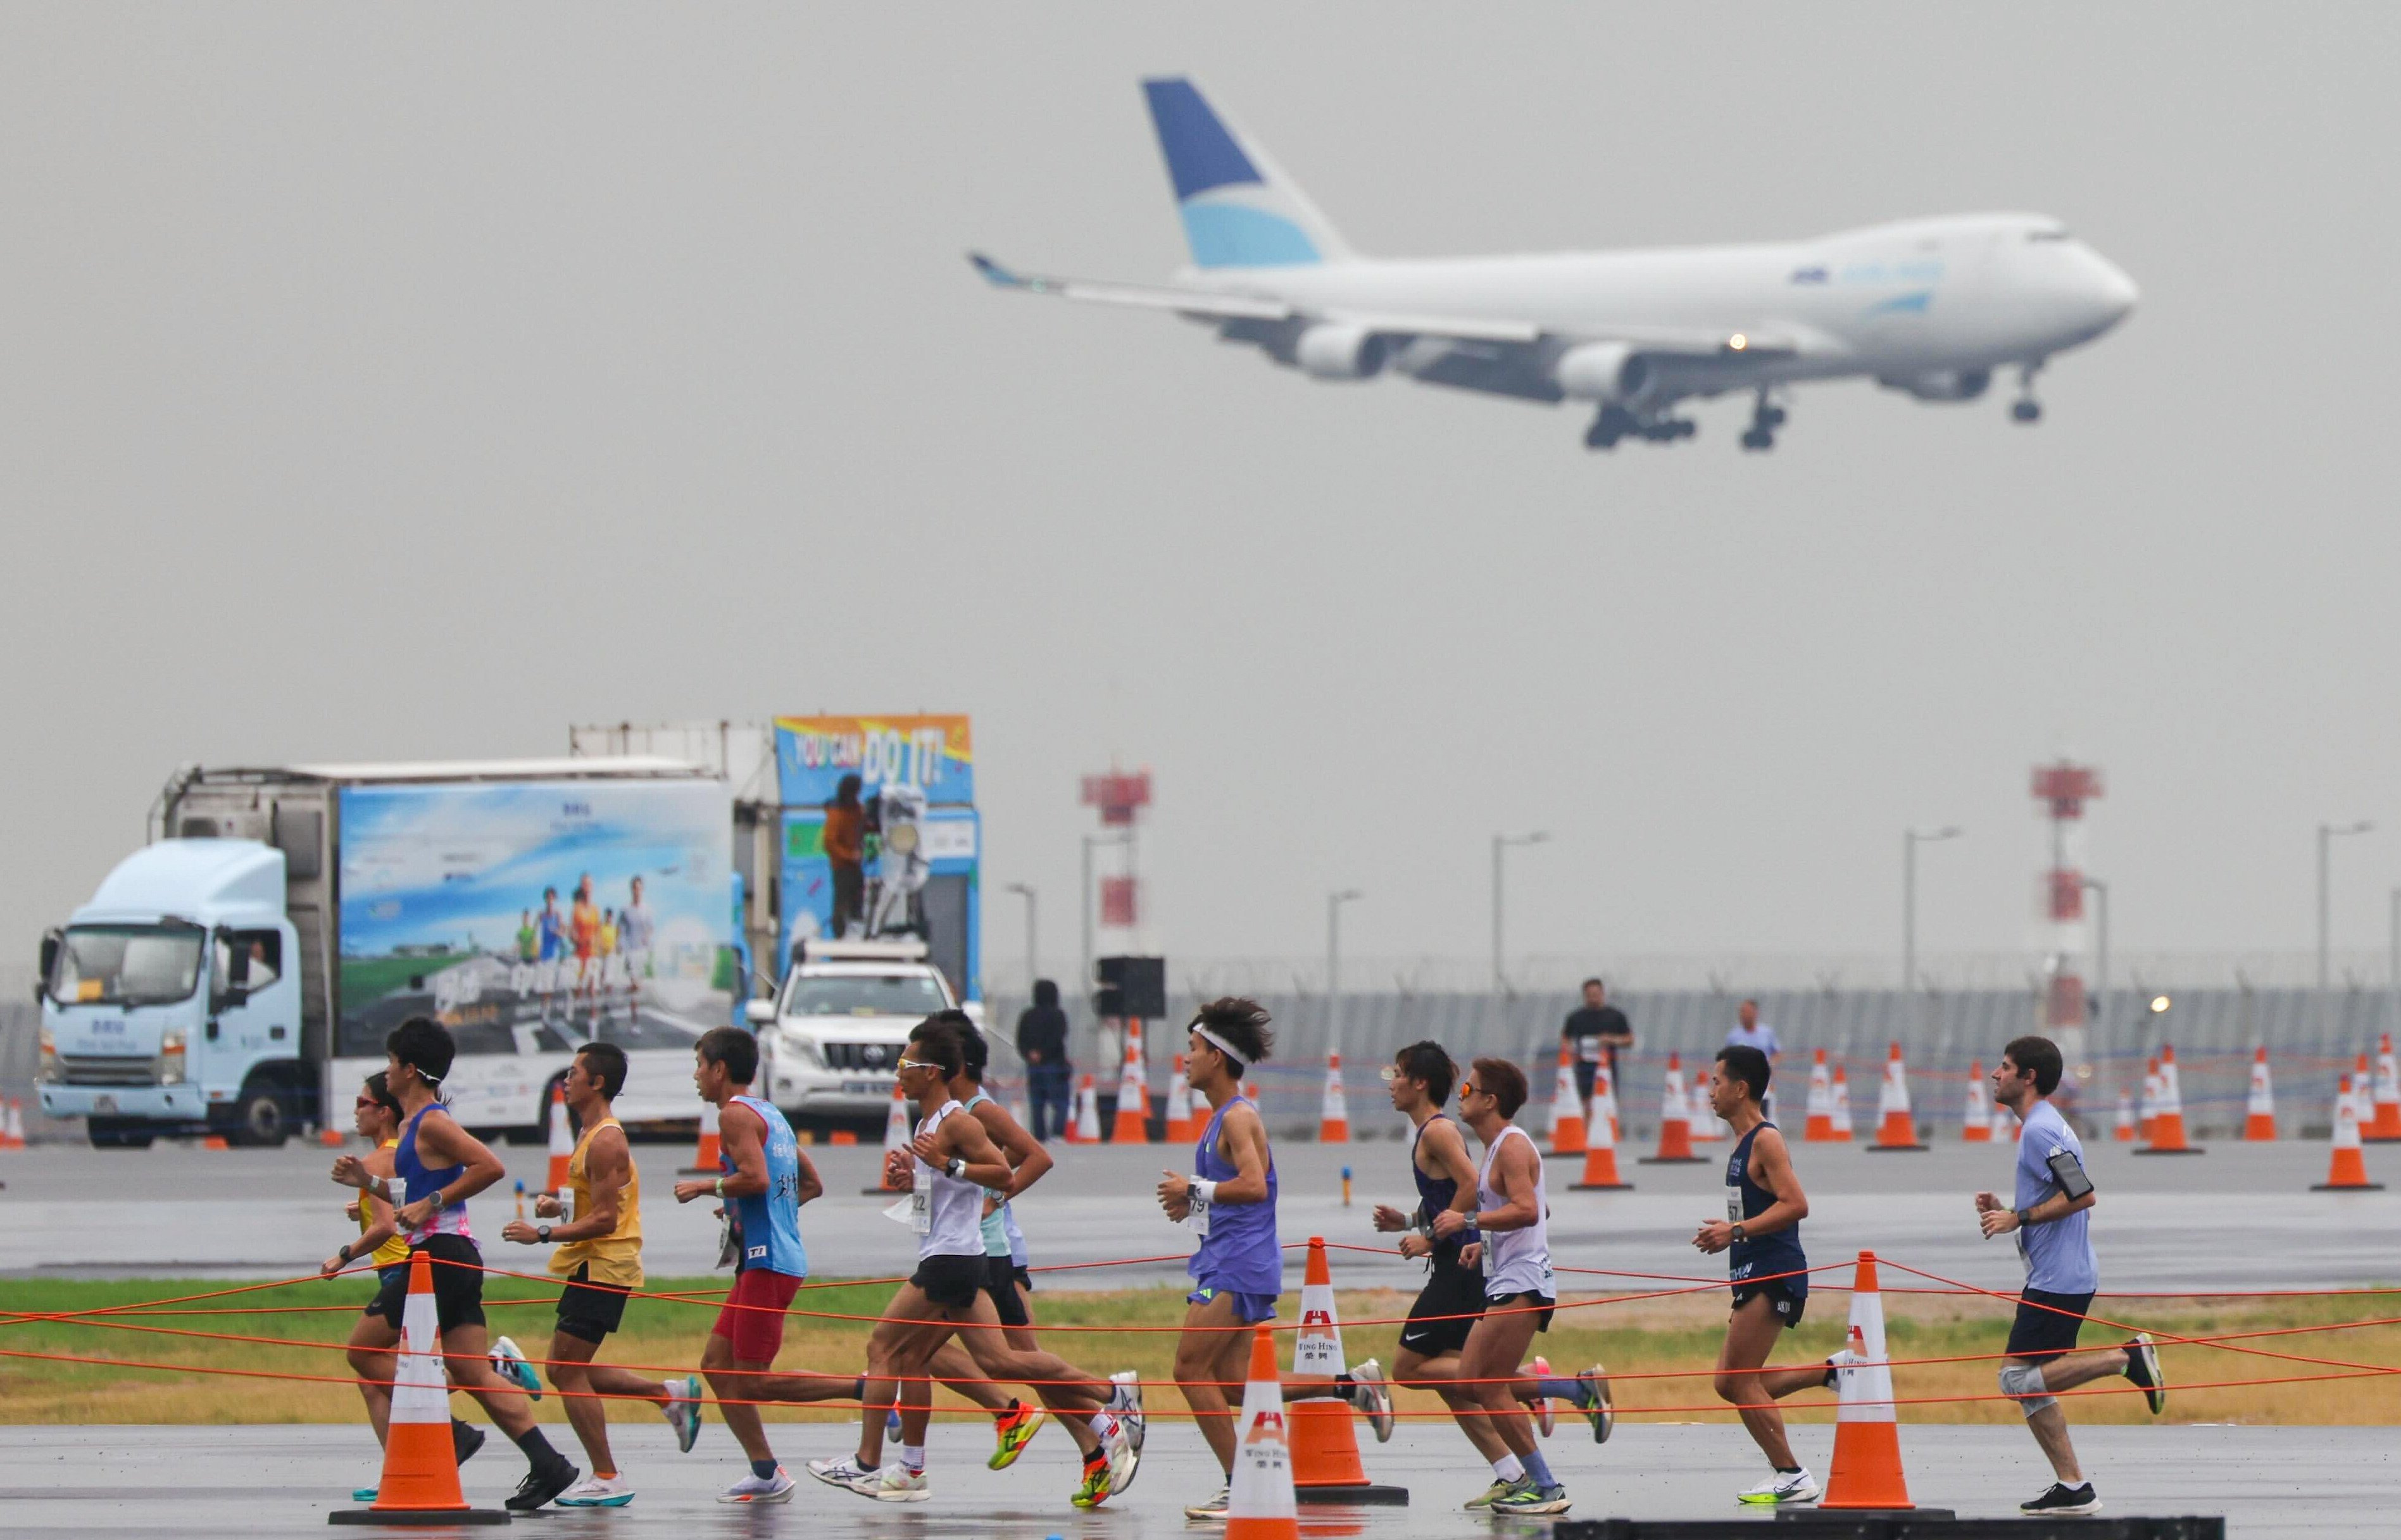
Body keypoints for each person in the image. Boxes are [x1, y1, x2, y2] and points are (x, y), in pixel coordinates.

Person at [812, 1014, 1137, 1506]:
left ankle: (867, 1462)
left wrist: (950, 1166)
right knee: (980, 1358)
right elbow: (948, 1190)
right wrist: (916, 1177)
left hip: (958, 1259)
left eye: (907, 1062)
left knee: (884, 1346)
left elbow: (1004, 1173)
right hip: (955, 1254)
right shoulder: (930, 1122)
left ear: (935, 1069)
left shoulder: (963, 1117)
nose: (898, 1070)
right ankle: (1103, 1402)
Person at [332, 1017, 581, 1512]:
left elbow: (490, 1165)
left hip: (440, 1258)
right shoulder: (410, 1126)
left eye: (389, 1062)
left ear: (408, 1069)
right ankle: (549, 1463)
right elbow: (414, 1196)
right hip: (454, 1255)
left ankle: (450, 1433)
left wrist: (434, 1202)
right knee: (471, 1370)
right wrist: (370, 1181)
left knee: (361, 1351)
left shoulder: (432, 1122)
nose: (386, 1071)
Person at [499, 1042, 704, 1508]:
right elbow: (596, 1202)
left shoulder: (607, 1138)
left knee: (566, 1370)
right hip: (591, 1262)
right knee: (567, 1368)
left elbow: (607, 1219)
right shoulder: (590, 1132)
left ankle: (609, 1475)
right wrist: (560, 1204)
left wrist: (544, 1231)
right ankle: (668, 1394)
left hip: (606, 1264)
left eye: (573, 1073)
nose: (565, 1080)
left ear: (597, 1083)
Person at [1975, 1036, 2166, 1516]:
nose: (1995, 1075)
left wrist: (2018, 1217)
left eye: (2004, 1067)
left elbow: (2082, 1195)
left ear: (2028, 1077)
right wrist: (2008, 1210)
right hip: (2059, 1273)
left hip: (2059, 1278)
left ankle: (2125, 1357)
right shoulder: (2042, 1126)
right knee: (2026, 1383)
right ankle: (2073, 1486)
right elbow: (2064, 1191)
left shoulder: (2040, 1129)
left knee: (2016, 1378)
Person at [670, 1025, 856, 1504]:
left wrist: (704, 1187)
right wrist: (747, 1209)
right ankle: (765, 1471)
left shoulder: (734, 1115)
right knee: (716, 1364)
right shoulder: (768, 1112)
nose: (695, 1076)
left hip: (769, 1261)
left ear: (719, 1069)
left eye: (698, 1065)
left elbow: (754, 1176)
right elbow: (808, 1183)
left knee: (752, 1377)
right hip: (766, 1257)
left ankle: (867, 1389)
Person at [1441, 1057, 1607, 1516]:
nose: (1462, 1094)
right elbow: (1538, 1209)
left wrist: (1469, 1220)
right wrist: (1487, 1241)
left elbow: (1529, 1211)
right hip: (1507, 1275)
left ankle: (1544, 1485)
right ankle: (1578, 1392)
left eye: (1469, 1089)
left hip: (1523, 1281)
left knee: (1489, 1385)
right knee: (1471, 1380)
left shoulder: (1511, 1147)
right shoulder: (1496, 1148)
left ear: (1490, 1100)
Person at [322, 1072, 482, 1503]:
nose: (355, 1110)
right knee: (378, 1378)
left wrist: (344, 1255)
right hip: (410, 1263)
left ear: (383, 1111)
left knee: (373, 1363)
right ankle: (400, 1465)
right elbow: (397, 1203)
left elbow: (387, 1224)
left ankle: (422, 1452)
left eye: (362, 1101)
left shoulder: (379, 1158)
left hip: (402, 1267)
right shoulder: (398, 1152)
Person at [1154, 998, 1286, 1520]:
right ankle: (1351, 1384)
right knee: (1232, 1384)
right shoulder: (1219, 1119)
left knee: (1188, 1369)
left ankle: (1241, 1485)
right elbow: (1231, 1188)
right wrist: (1194, 1201)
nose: (1184, 1058)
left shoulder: (1238, 1117)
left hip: (1239, 1262)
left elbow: (1254, 1185)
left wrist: (1195, 1187)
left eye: (1192, 1048)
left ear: (1216, 1056)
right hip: (1224, 1257)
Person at [1692, 1044, 1829, 1507]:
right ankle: (1832, 1371)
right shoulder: (1740, 1143)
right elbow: (1756, 1207)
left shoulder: (1765, 1139)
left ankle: (1791, 1473)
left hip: (1774, 1271)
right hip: (1752, 1269)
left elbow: (1796, 1204)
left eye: (1716, 1081)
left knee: (1736, 1380)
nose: (1710, 1090)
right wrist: (1732, 1230)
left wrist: (1734, 1229)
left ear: (1740, 1087)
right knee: (1731, 1382)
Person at [1371, 1041, 1499, 1465]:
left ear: (1420, 1082)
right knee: (1453, 1384)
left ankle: (1542, 1385)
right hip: (1457, 1260)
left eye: (1397, 1075)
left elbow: (1472, 1186)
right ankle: (1513, 1472)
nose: (1390, 1085)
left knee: (1408, 1369)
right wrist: (1408, 1221)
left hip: (1461, 1266)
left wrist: (1428, 1239)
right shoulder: (1431, 1131)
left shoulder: (1438, 1130)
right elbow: (1446, 1195)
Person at [1560, 978, 1634, 1108]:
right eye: (1589, 995)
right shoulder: (1576, 1017)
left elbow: (1629, 1039)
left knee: (1607, 1100)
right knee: (1586, 1102)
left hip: (1608, 1068)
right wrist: (1570, 1051)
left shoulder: (1615, 1016)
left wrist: (1612, 1040)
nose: (1593, 998)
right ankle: (1587, 1127)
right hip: (1584, 1068)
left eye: (1596, 994)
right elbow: (1565, 1038)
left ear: (1602, 994)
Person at [1015, 979, 1073, 1142]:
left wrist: (1030, 1054)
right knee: (1061, 1102)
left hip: (1034, 1067)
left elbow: (1020, 1040)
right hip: (1055, 1065)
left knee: (1037, 1103)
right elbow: (1058, 1038)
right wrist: (1045, 1054)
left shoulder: (1028, 1016)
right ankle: (1057, 1134)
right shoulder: (1058, 1015)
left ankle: (1039, 1136)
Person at [825, 775, 865, 939]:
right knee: (841, 901)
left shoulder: (857, 810)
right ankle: (840, 933)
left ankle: (857, 929)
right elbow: (830, 843)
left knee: (858, 899)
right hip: (842, 866)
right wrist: (849, 856)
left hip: (856, 865)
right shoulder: (837, 812)